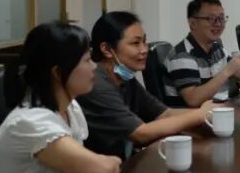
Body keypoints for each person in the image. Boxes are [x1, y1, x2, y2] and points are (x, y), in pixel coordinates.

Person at [0, 22, 121, 173]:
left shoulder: (70, 108)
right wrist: (114, 161)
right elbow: (101, 169)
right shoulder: (32, 122)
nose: (94, 67)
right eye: (87, 60)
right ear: (57, 72)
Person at [79, 11, 217, 160]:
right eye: (135, 43)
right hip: (100, 169)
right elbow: (140, 133)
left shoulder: (125, 77)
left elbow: (164, 114)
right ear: (107, 49)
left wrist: (213, 113)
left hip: (123, 161)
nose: (144, 49)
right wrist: (200, 115)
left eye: (144, 42)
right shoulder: (95, 83)